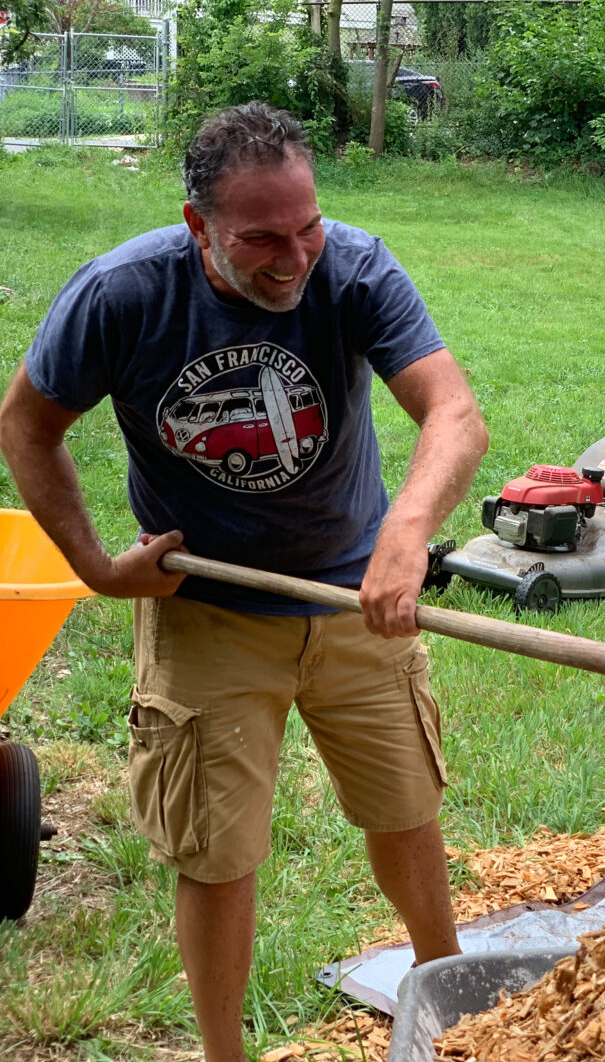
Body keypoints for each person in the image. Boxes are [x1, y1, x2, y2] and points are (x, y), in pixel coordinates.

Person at [0, 102, 489, 1062]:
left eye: (306, 226)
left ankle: (459, 1015)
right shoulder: (124, 294)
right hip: (207, 611)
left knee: (406, 811)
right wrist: (100, 568)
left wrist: (406, 531)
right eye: (261, 237)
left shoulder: (354, 265)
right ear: (198, 226)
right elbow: (26, 425)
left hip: (353, 599)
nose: (293, 255)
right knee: (219, 857)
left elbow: (455, 412)